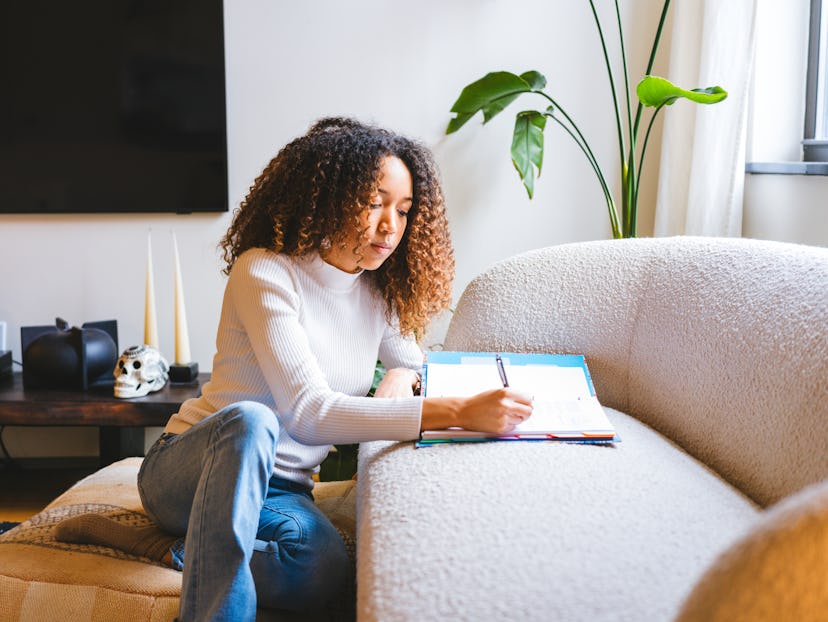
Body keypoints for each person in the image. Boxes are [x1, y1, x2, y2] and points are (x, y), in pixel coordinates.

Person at [56, 117, 534, 621]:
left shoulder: (379, 292)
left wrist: (403, 377)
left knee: (321, 568)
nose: (390, 225)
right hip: (192, 469)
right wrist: (457, 411)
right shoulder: (264, 270)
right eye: (374, 203)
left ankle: (165, 549)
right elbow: (310, 415)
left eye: (404, 210)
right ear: (328, 197)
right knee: (252, 419)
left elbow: (414, 363)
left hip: (283, 490)